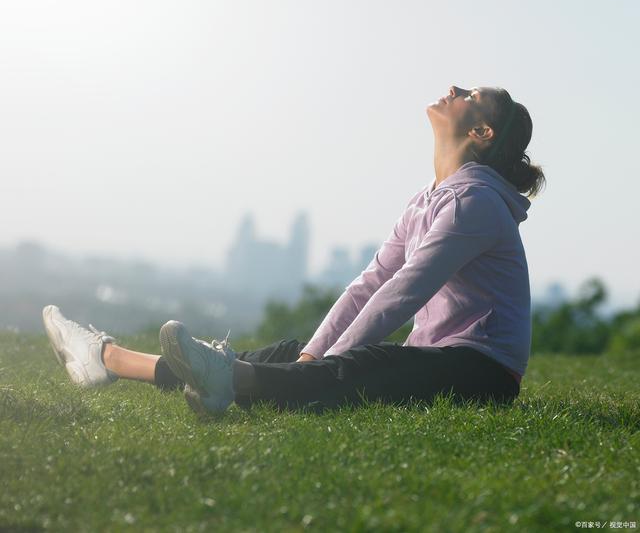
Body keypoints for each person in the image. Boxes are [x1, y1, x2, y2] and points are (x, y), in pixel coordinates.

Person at [42, 84, 545, 417]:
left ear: (480, 133)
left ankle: (231, 384)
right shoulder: (427, 201)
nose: (454, 89)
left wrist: (323, 363)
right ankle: (106, 358)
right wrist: (309, 356)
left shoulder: (476, 202)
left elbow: (403, 293)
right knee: (292, 350)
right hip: (432, 357)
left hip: (480, 372)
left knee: (365, 365)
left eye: (470, 96)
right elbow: (369, 283)